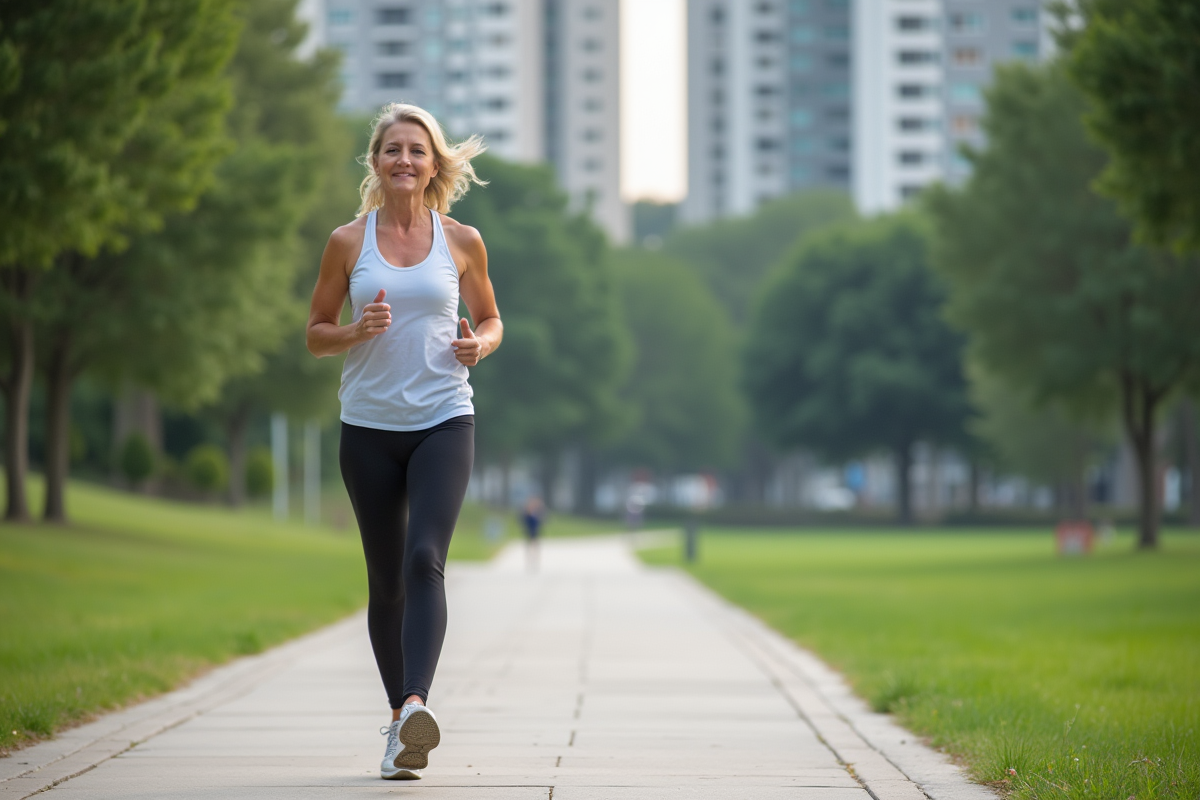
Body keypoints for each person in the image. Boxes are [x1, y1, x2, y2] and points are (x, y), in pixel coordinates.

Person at [306, 103, 501, 780]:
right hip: (368, 430)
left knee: (425, 560)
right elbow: (314, 331)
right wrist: (354, 332)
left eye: (417, 150)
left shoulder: (463, 241)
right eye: (392, 149)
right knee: (385, 580)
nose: (404, 161)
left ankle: (418, 700)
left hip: (445, 419)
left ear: (434, 163)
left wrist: (479, 344)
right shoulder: (345, 242)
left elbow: (493, 318)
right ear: (375, 161)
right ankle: (399, 726)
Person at [520, 495, 545, 571]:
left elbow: (542, 519)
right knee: (529, 548)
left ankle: (535, 561)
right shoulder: (527, 515)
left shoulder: (536, 514)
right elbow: (523, 522)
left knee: (535, 548)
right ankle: (529, 562)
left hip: (535, 532)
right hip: (529, 533)